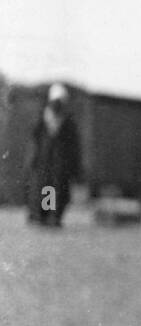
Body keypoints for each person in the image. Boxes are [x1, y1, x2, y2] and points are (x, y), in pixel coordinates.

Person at [25, 83, 81, 228]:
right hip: (46, 163)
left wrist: (75, 167)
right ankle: (45, 216)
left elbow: (74, 147)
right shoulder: (43, 120)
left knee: (56, 189)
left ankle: (52, 216)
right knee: (46, 189)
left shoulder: (67, 123)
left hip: (59, 165)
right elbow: (34, 141)